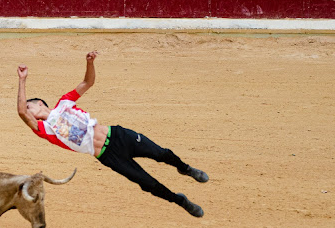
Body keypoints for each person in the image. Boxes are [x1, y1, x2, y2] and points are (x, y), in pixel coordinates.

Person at [16, 51, 208, 217]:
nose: (27, 109)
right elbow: (22, 113)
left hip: (118, 136)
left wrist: (89, 63)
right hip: (108, 156)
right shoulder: (45, 130)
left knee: (162, 154)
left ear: (40, 103)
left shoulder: (64, 103)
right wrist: (22, 80)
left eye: (29, 105)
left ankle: (185, 168)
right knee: (148, 184)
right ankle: (181, 201)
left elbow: (87, 82)